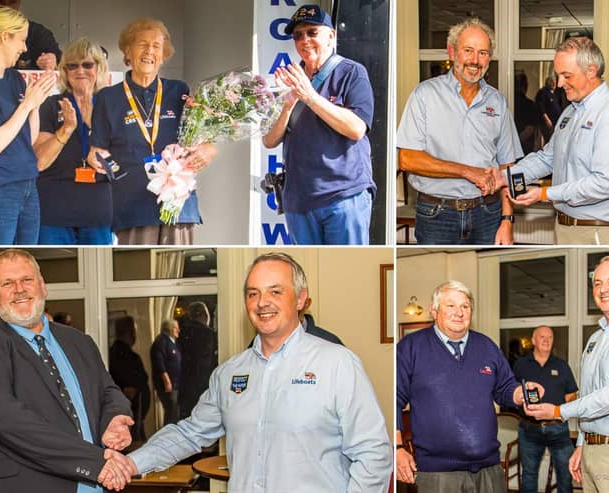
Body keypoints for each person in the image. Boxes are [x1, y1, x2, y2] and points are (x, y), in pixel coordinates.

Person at [106, 252, 393, 492]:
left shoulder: (338, 364)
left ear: (301, 299)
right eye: (252, 293)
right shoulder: (229, 373)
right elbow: (190, 434)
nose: (262, 302)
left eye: (275, 291)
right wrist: (133, 463)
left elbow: (374, 454)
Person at [0, 248, 135, 492]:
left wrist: (115, 418)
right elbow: (8, 420)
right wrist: (93, 462)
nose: (19, 289)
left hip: (97, 484)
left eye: (27, 280)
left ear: (43, 286)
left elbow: (108, 390)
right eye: (7, 283)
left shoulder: (80, 341)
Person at [396, 280, 542, 492]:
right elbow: (393, 401)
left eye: (465, 306)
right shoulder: (411, 348)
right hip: (438, 474)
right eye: (451, 306)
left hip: (489, 469)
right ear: (434, 311)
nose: (459, 313)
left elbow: (505, 388)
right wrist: (398, 447)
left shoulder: (487, 346)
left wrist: (521, 393)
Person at [88, 18, 217, 245]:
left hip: (177, 203)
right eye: (142, 44)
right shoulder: (108, 98)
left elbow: (201, 138)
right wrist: (114, 171)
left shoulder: (179, 90)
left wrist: (208, 149)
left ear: (164, 54)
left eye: (156, 46)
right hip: (132, 206)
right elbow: (97, 151)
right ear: (128, 51)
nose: (149, 51)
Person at [396, 18, 522, 245]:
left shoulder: (498, 102)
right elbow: (407, 159)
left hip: (489, 214)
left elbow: (508, 167)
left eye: (483, 53)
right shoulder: (424, 95)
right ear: (452, 53)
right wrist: (467, 172)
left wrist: (507, 219)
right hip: (437, 214)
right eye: (468, 51)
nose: (475, 60)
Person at [263, 4, 376, 245]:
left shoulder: (351, 73)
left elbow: (356, 128)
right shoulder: (288, 78)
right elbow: (269, 140)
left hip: (343, 195)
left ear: (331, 36)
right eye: (298, 35)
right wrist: (286, 106)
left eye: (312, 32)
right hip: (299, 198)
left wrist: (310, 97)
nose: (304, 40)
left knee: (346, 268)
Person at [495, 37, 609, 245]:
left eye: (567, 75)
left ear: (591, 71)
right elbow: (547, 159)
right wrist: (503, 177)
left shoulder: (606, 112)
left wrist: (545, 193)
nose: (560, 84)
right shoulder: (570, 112)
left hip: (596, 230)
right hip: (564, 226)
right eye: (558, 75)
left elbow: (604, 183)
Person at [525, 256, 609, 492]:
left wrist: (558, 411)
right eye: (597, 283)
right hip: (593, 449)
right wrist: (583, 444)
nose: (603, 290)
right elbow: (589, 394)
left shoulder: (560, 364)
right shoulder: (595, 339)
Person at [34, 37, 113, 245]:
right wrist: (67, 129)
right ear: (64, 71)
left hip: (98, 211)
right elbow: (40, 162)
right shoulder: (51, 105)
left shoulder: (112, 106)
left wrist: (91, 121)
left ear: (100, 68)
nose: (80, 71)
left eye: (87, 64)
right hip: (54, 212)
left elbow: (121, 165)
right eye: (72, 66)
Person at [0, 6, 56, 244]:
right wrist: (26, 104)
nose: (25, 48)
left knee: (28, 250)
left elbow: (28, 139)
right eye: (21, 39)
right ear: (3, 36)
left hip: (28, 182)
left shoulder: (15, 78)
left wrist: (35, 105)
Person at [513, 325, 578, 493]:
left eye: (549, 337)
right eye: (542, 336)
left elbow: (572, 394)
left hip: (557, 428)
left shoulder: (562, 365)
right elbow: (512, 392)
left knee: (565, 475)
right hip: (529, 429)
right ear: (533, 340)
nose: (546, 340)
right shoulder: (521, 365)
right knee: (529, 475)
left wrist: (559, 407)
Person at [109, 315, 150, 442]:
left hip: (133, 413)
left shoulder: (117, 352)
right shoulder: (124, 355)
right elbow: (130, 387)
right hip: (129, 414)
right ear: (130, 332)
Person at [0, 0, 61, 70]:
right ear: (4, 36)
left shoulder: (37, 32)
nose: (6, 7)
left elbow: (62, 65)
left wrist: (52, 62)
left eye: (12, 2)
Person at [177, 301, 217, 420]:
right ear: (205, 315)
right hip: (203, 386)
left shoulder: (181, 334)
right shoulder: (209, 335)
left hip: (185, 387)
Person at [150, 318, 181, 425]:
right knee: (171, 413)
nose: (178, 330)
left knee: (174, 412)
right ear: (170, 329)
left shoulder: (171, 342)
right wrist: (167, 382)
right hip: (168, 385)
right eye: (176, 328)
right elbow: (160, 364)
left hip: (175, 384)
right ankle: (168, 438)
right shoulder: (161, 342)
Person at [514, 72, 541, 154]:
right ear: (525, 86)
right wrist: (517, 142)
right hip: (524, 147)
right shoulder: (529, 104)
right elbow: (530, 129)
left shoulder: (507, 102)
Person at [535, 75, 562, 142]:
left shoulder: (553, 93)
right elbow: (541, 107)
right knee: (549, 141)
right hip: (547, 123)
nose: (554, 84)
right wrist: (547, 119)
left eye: (555, 82)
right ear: (548, 83)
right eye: (552, 82)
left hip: (555, 122)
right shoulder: (543, 92)